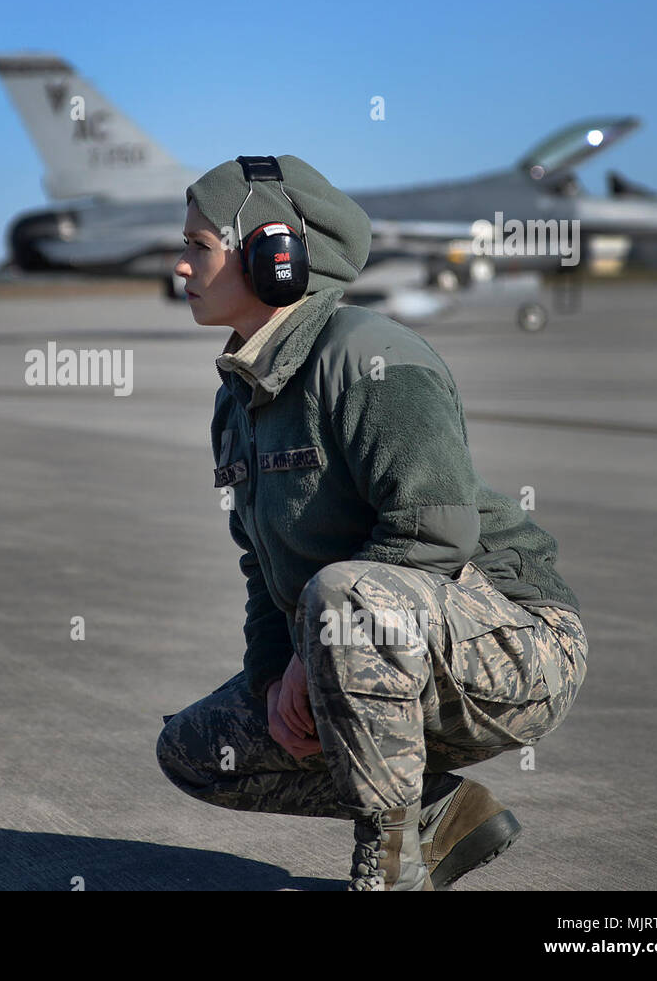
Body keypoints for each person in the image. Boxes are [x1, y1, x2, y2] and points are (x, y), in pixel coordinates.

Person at [155, 154, 588, 891]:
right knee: (196, 750)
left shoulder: (370, 358)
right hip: (364, 637)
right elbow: (261, 568)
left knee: (345, 597)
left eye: (199, 246)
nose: (180, 267)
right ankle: (434, 814)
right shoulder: (239, 401)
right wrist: (273, 685)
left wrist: (308, 654)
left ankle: (390, 868)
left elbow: (434, 535)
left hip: (515, 644)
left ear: (274, 256)